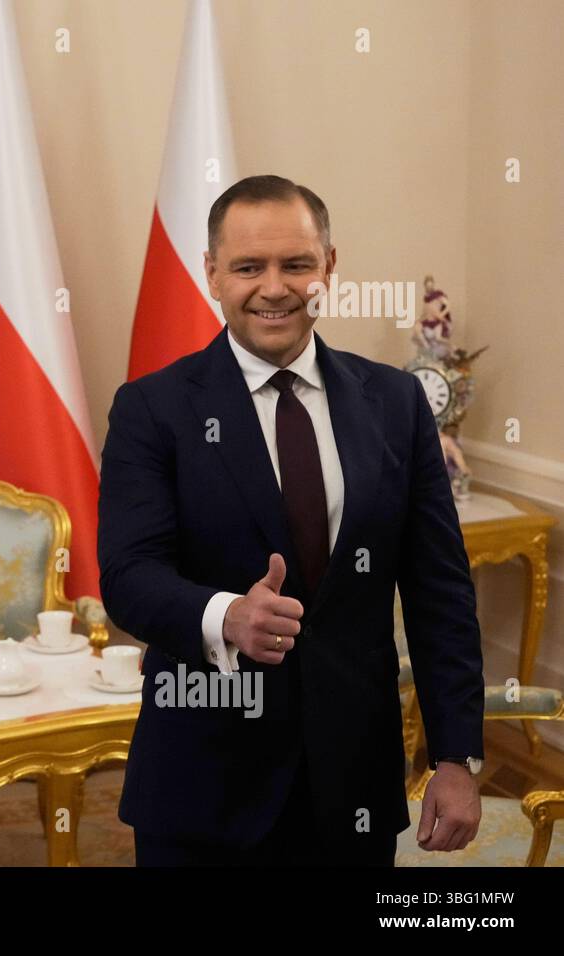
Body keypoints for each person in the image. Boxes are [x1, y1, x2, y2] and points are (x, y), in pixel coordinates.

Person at [98, 175, 484, 866]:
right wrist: (225, 617)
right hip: (203, 785)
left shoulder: (395, 403)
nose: (273, 287)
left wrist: (456, 755)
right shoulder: (152, 409)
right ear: (211, 272)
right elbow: (128, 576)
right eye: (248, 267)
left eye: (296, 264)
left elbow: (440, 594)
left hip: (353, 785)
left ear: (328, 268)